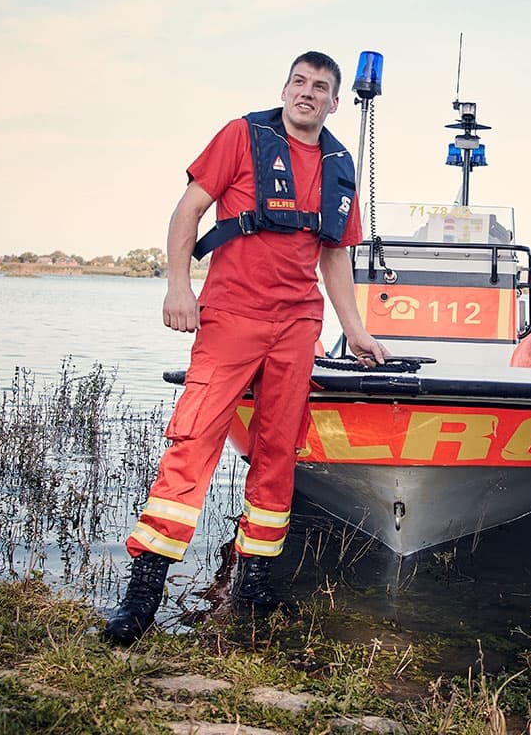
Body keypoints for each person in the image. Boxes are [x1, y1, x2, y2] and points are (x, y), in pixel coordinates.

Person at [102, 51, 387, 646]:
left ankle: (253, 581)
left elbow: (334, 254)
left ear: (335, 103)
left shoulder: (339, 162)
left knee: (279, 447)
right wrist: (179, 286)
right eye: (299, 82)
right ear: (285, 88)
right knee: (194, 440)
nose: (307, 93)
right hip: (231, 316)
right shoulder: (241, 135)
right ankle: (142, 596)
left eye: (320, 88)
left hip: (298, 325)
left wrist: (354, 328)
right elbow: (188, 210)